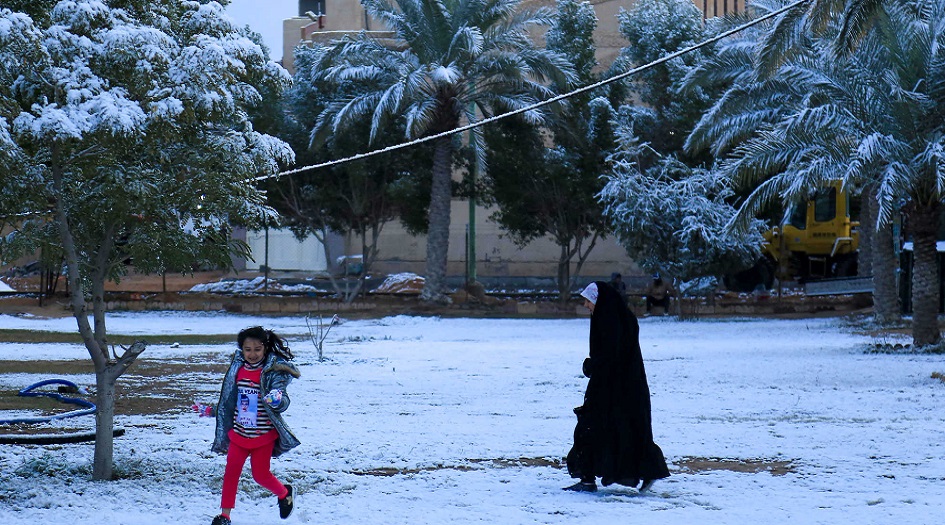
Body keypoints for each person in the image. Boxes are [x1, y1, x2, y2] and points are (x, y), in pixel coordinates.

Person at [565, 282, 670, 493]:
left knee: (596, 428)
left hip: (614, 388)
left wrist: (593, 365)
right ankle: (591, 477)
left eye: (589, 301)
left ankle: (590, 478)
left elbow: (612, 355)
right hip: (622, 386)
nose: (586, 305)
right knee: (618, 430)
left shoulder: (611, 322)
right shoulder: (616, 317)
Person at [210, 326, 301, 525]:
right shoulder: (237, 370)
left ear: (265, 348)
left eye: (257, 349)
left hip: (263, 436)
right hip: (239, 434)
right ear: (241, 350)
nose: (252, 354)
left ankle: (284, 493)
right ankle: (225, 516)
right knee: (231, 473)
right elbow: (229, 401)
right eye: (248, 349)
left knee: (260, 476)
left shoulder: (272, 372)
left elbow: (283, 400)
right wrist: (211, 410)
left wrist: (277, 400)